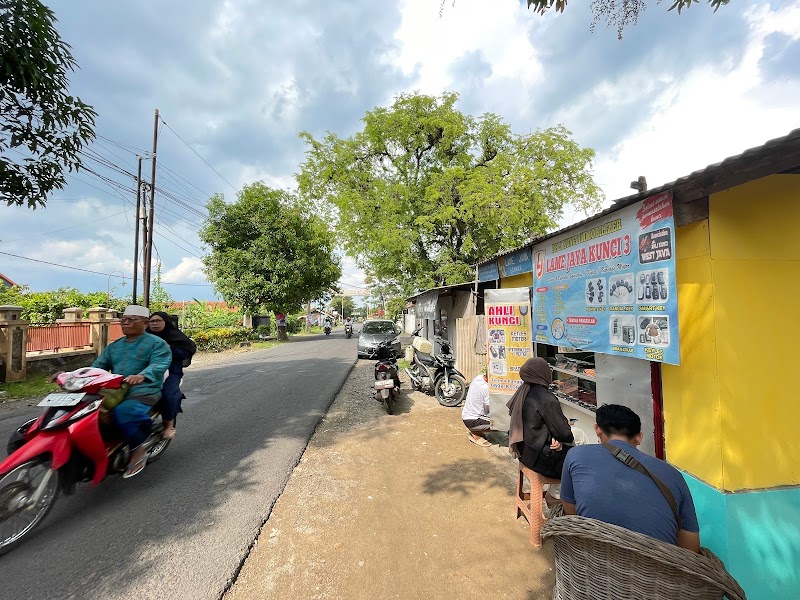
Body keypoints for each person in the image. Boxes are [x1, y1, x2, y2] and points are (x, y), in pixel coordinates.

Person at [560, 404, 700, 552]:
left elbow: (571, 510)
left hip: (593, 559)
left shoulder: (576, 455)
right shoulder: (673, 474)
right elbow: (691, 546)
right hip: (658, 568)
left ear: (597, 429)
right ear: (639, 437)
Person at [92, 305, 172, 478]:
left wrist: (142, 375)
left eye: (131, 319)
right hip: (116, 389)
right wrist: (72, 375)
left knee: (124, 412)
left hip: (145, 389)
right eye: (124, 319)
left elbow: (159, 364)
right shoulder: (115, 346)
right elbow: (97, 367)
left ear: (145, 323)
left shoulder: (157, 343)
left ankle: (138, 448)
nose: (125, 322)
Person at [506, 357, 574, 479]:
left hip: (526, 454)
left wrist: (557, 437)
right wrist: (562, 433)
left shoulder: (524, 392)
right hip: (542, 459)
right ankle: (556, 494)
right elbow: (565, 434)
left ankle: (554, 492)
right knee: (580, 456)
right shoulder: (546, 398)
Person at [146, 311, 196, 440]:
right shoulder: (143, 337)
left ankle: (169, 424)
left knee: (168, 395)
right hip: (145, 370)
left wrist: (169, 348)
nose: (155, 323)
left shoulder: (174, 336)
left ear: (166, 322)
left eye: (158, 321)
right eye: (152, 321)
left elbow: (185, 352)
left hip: (171, 371)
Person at [462, 371, 494, 447]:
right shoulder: (486, 388)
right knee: (503, 424)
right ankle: (476, 434)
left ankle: (477, 431)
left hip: (466, 416)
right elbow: (492, 410)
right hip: (473, 420)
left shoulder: (478, 377)